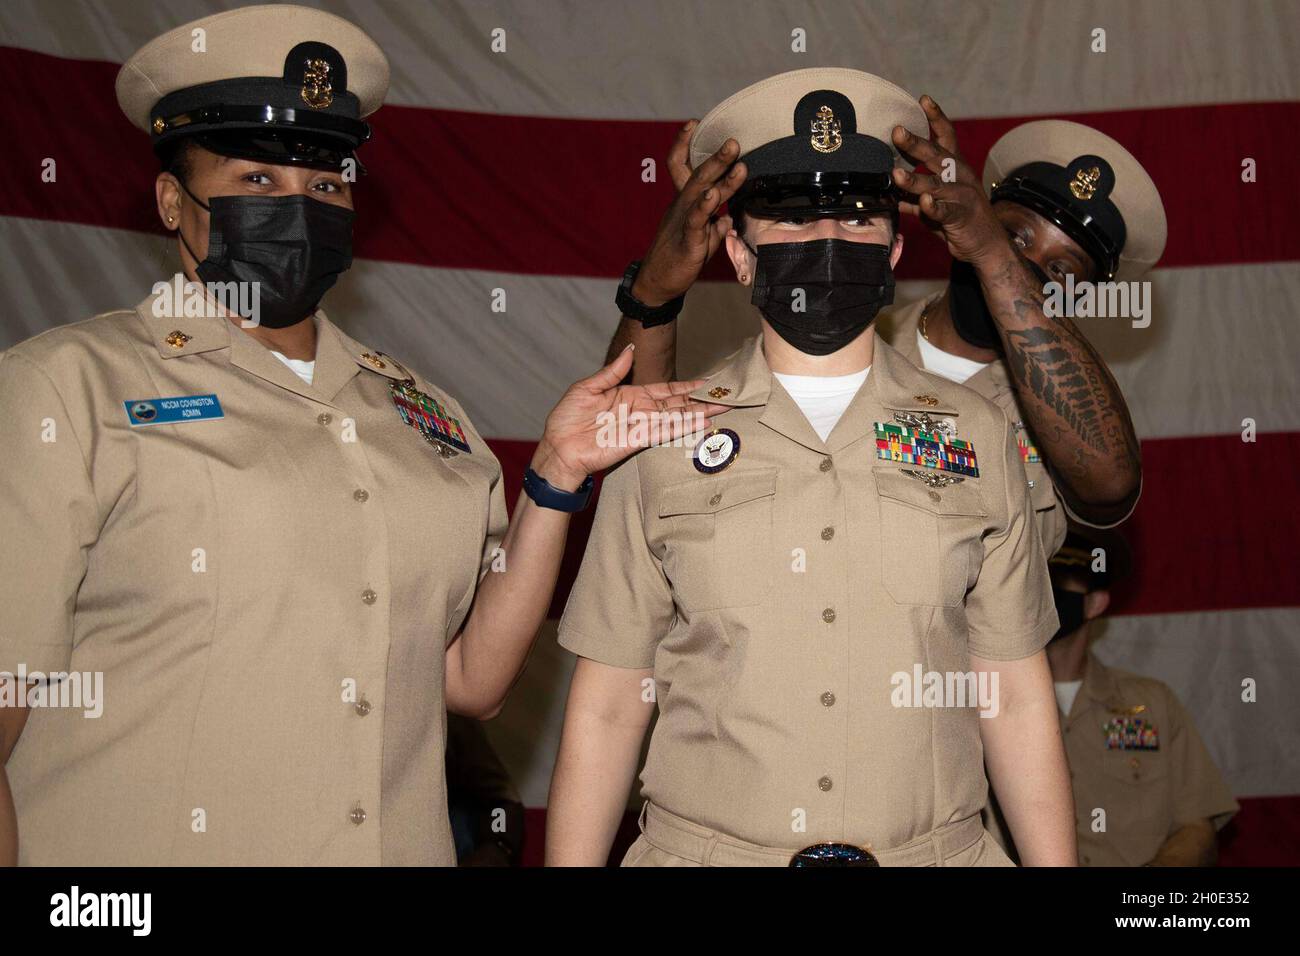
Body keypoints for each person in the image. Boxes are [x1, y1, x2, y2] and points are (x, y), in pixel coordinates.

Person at [0, 4, 722, 866]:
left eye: (326, 185)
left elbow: (471, 682)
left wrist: (557, 475)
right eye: (256, 182)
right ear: (171, 200)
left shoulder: (423, 417)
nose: (297, 208)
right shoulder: (69, 389)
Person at [547, 68, 1075, 867]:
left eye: (858, 215)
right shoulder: (659, 431)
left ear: (896, 247)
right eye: (791, 217)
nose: (827, 239)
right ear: (737, 250)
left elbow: (1013, 693)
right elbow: (612, 702)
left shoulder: (980, 432)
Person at [608, 113, 1161, 560]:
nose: (1027, 263)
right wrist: (653, 292)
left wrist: (994, 252)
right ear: (961, 223)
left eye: (1062, 271)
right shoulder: (840, 331)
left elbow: (1110, 485)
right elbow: (628, 452)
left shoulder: (1068, 411)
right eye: (1014, 234)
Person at [1045, 528, 1239, 866]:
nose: (1043, 599)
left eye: (1057, 586)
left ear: (1094, 603)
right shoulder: (981, 706)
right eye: (1036, 584)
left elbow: (1196, 824)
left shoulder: (1152, 705)